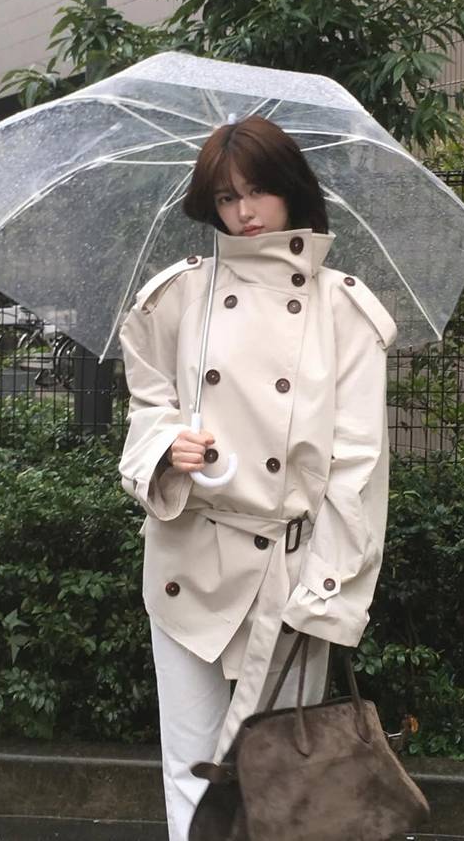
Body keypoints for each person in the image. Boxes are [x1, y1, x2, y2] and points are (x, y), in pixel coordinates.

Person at [118, 115, 397, 841]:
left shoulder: (344, 309)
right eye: (225, 197)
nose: (244, 212)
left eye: (258, 191)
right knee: (189, 767)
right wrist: (165, 446)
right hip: (189, 560)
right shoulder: (174, 297)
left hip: (289, 573)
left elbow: (357, 466)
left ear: (291, 189)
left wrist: (328, 590)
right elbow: (147, 406)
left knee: (280, 782)